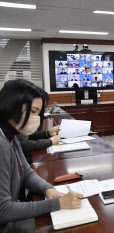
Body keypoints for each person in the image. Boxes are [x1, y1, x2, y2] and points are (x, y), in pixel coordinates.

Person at [0, 79, 83, 232]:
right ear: (11, 106)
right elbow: (3, 210)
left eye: (38, 113)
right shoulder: (2, 144)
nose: (36, 118)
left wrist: (47, 189)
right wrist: (58, 204)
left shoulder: (11, 136)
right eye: (33, 112)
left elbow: (26, 173)